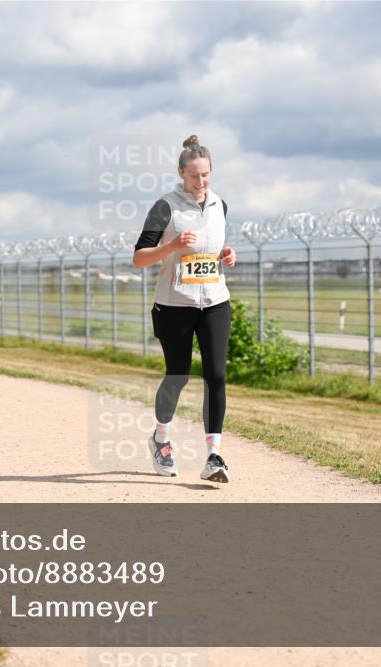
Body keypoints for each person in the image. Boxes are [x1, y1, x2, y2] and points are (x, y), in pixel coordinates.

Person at [131, 134, 237, 483]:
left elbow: (214, 247)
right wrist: (172, 245)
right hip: (174, 305)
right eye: (194, 176)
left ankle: (214, 456)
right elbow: (138, 258)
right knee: (178, 375)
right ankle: (161, 439)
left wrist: (226, 255)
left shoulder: (220, 205)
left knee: (216, 375)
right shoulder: (166, 206)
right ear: (181, 173)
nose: (201, 182)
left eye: (206, 175)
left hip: (215, 302)